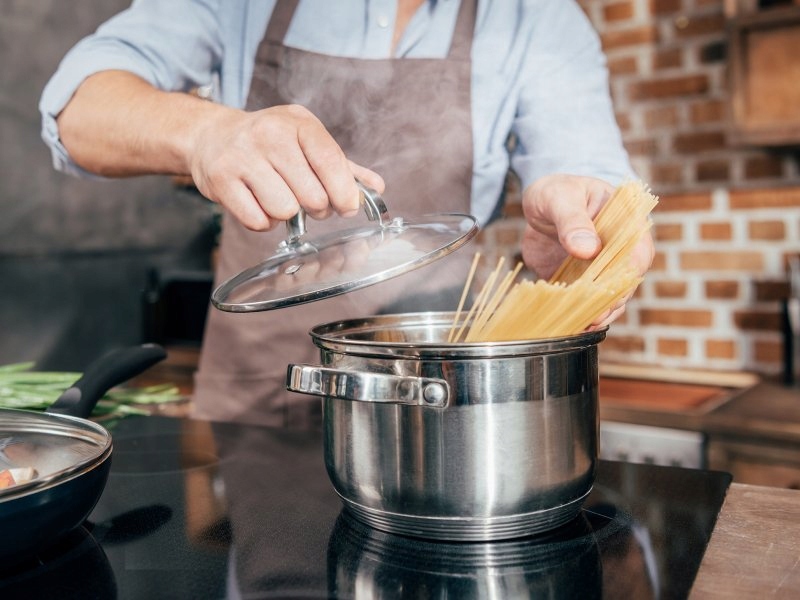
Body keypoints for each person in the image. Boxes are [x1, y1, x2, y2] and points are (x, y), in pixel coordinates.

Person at [40, 0, 654, 427]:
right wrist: (205, 133)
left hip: (441, 402)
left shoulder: (538, 18)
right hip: (261, 400)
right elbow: (78, 109)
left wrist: (588, 226)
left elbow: (592, 175)